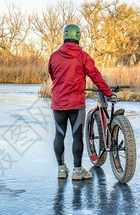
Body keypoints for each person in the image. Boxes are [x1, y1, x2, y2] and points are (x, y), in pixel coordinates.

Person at [48, 24, 113, 180]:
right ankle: (77, 170)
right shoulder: (83, 56)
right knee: (77, 137)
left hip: (58, 103)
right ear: (78, 36)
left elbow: (52, 75)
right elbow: (95, 76)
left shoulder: (54, 56)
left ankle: (61, 169)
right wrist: (108, 92)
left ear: (64, 36)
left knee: (59, 135)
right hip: (76, 104)